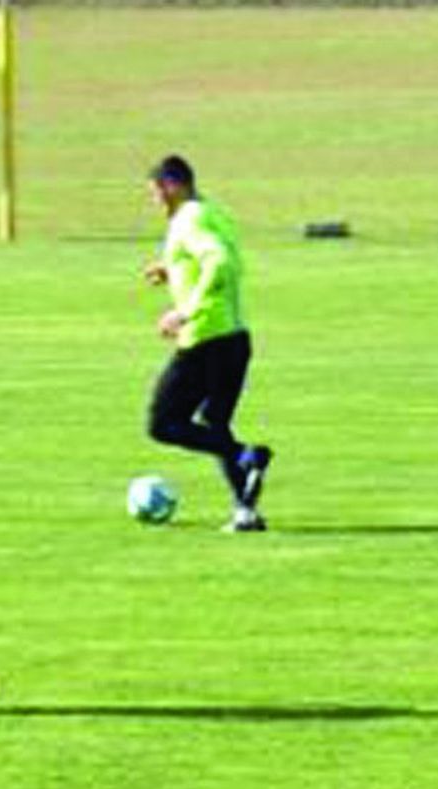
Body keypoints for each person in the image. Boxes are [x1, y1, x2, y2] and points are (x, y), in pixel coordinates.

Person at [141, 155, 273, 532]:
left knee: (163, 424)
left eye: (156, 192)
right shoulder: (214, 212)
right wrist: (172, 269)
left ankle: (248, 456)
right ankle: (246, 512)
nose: (155, 201)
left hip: (205, 341)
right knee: (215, 423)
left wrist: (184, 310)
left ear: (172, 185)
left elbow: (218, 262)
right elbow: (227, 259)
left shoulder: (188, 219)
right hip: (235, 339)